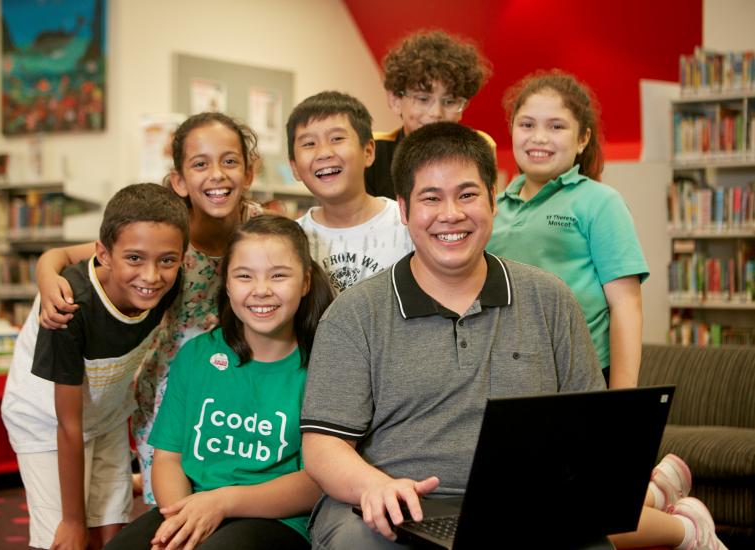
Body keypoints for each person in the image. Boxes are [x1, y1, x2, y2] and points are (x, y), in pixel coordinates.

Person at [300, 122, 727, 550]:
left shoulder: (550, 300)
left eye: (467, 195)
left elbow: (589, 432)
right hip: (393, 510)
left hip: (527, 508)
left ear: (493, 201)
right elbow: (322, 447)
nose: (451, 214)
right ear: (405, 211)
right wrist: (373, 486)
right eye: (431, 198)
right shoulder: (355, 314)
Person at [34, 112, 264, 504]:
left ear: (249, 171)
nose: (217, 175)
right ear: (179, 180)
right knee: (173, 500)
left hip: (237, 379)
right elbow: (64, 255)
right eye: (200, 164)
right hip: (171, 384)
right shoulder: (167, 233)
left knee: (228, 491)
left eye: (229, 161)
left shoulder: (259, 228)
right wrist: (45, 276)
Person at [105, 215, 334, 550]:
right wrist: (180, 521)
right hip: (194, 505)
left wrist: (222, 502)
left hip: (277, 520)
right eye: (244, 276)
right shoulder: (197, 355)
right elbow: (168, 457)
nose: (261, 290)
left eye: (279, 276)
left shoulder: (325, 365)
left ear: (305, 282)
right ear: (227, 283)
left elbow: (316, 483)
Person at [1, 183, 189, 549]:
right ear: (103, 254)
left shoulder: (170, 280)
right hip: (46, 421)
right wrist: (72, 520)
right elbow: (67, 425)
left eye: (167, 260)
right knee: (64, 537)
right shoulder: (70, 307)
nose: (151, 276)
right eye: (134, 259)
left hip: (106, 413)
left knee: (111, 525)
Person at [486, 70, 649, 388]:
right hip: (506, 377)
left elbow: (626, 305)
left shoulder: (600, 202)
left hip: (580, 377)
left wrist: (622, 399)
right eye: (527, 124)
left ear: (583, 138)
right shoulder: (493, 207)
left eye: (556, 126)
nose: (539, 138)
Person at [287, 91, 413, 292]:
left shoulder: (409, 224)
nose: (324, 153)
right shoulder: (289, 240)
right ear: (294, 166)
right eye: (309, 143)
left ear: (368, 152)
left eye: (336, 138)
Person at [365, 29, 496, 199]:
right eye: (423, 99)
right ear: (395, 100)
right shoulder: (373, 152)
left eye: (449, 102)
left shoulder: (478, 147)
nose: (436, 114)